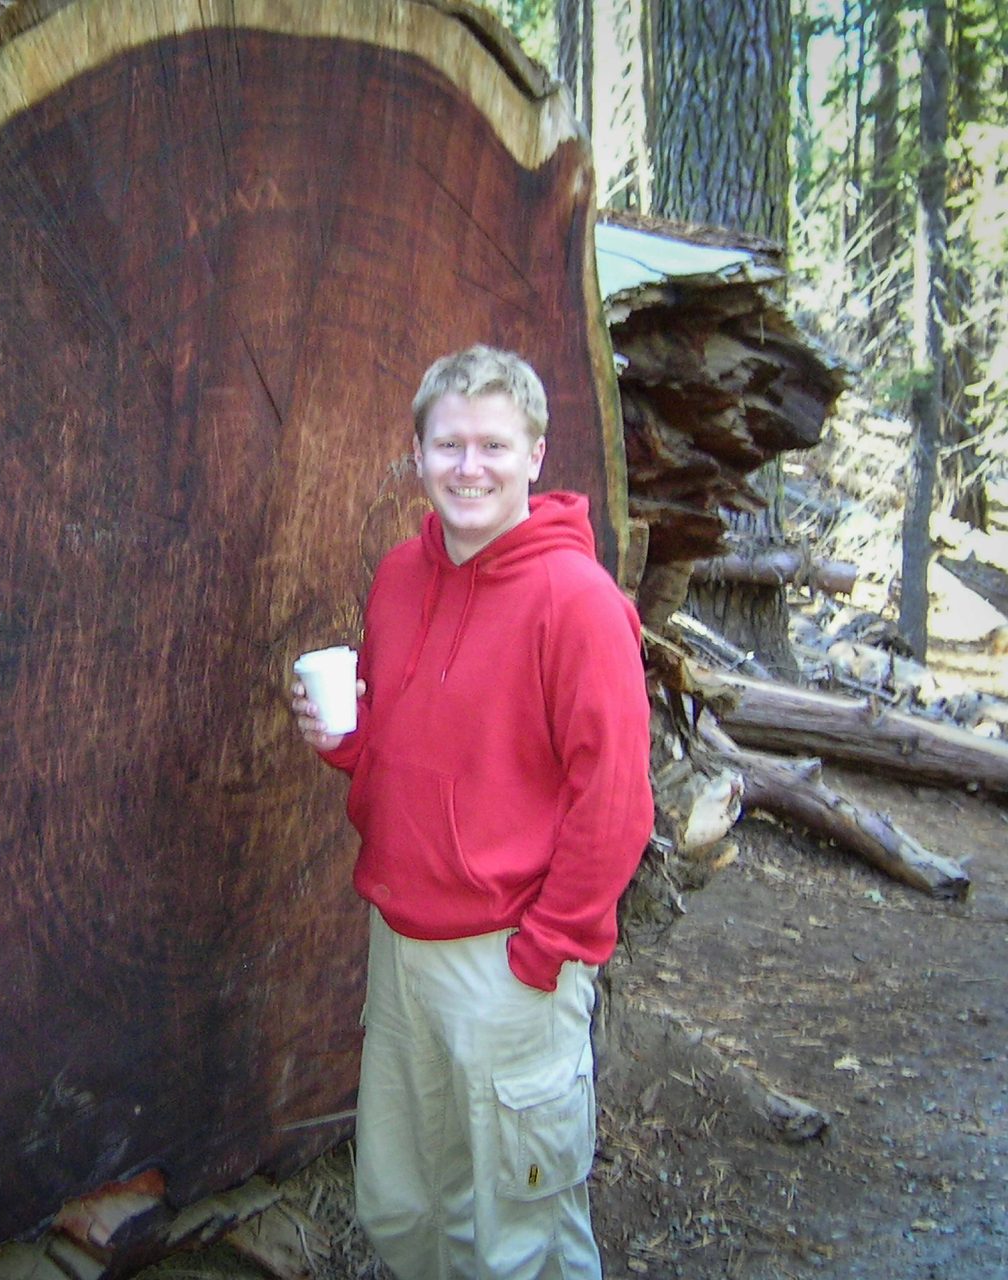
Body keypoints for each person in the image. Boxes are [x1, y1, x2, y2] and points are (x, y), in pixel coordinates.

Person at [291, 345, 654, 1279]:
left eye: (494, 445)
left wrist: (546, 948)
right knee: (403, 1208)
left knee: (517, 1237)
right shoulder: (400, 579)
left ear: (536, 454)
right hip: (401, 952)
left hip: (509, 964)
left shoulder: (578, 604)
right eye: (447, 444)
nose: (469, 467)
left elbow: (614, 803)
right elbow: (406, 751)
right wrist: (343, 743)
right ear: (417, 454)